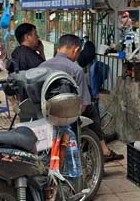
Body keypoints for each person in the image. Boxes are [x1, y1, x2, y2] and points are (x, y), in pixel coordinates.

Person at [40, 34, 123, 162]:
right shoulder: (76, 70)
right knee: (91, 108)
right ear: (76, 50)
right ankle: (104, 149)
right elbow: (83, 105)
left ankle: (103, 149)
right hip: (67, 116)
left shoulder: (42, 66)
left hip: (44, 113)